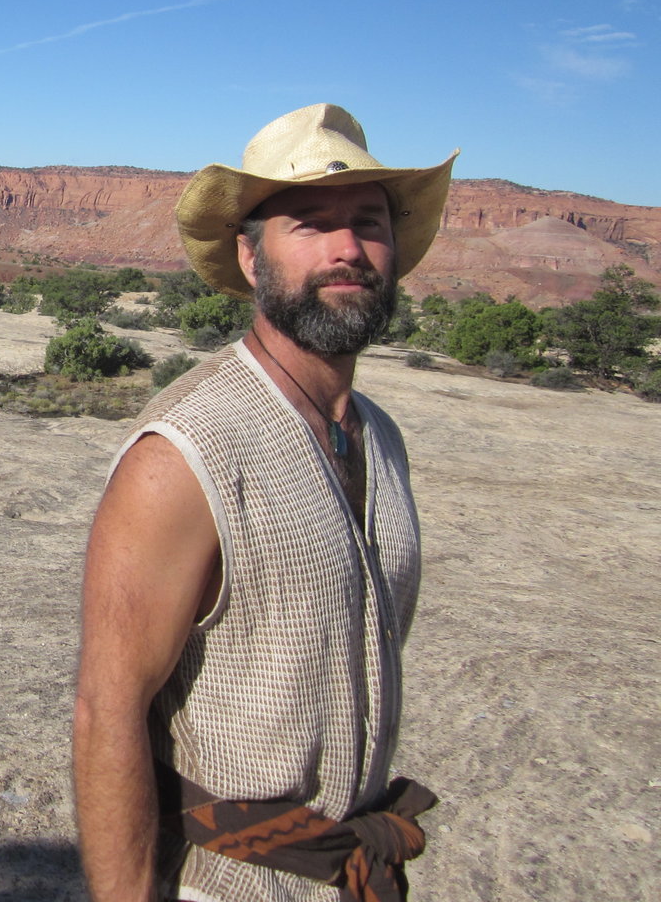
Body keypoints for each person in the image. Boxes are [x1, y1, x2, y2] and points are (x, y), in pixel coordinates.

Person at [72, 104, 458, 902]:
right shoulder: (185, 454)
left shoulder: (381, 438)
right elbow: (107, 713)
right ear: (251, 258)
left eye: (368, 222)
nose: (346, 248)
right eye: (309, 224)